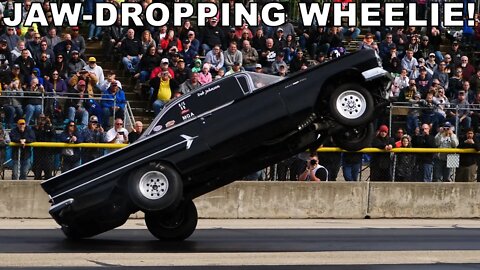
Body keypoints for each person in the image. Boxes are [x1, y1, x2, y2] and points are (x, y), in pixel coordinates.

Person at [32, 114, 56, 180]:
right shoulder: (34, 128)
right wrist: (39, 127)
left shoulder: (48, 127)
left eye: (43, 118)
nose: (42, 120)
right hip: (38, 153)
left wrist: (50, 124)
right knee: (37, 174)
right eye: (40, 118)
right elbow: (33, 137)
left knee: (48, 174)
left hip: (47, 152)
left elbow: (53, 134)